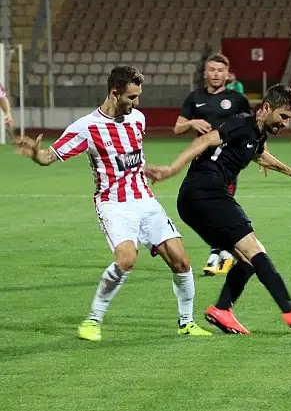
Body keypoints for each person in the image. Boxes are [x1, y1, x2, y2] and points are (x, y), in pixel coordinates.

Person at [13, 66, 211, 341]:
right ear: (114, 93)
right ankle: (93, 320)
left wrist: (147, 169)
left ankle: (187, 322)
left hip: (145, 200)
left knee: (182, 262)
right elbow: (49, 157)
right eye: (131, 97)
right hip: (114, 204)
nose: (136, 103)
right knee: (127, 259)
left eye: (138, 96)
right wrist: (36, 154)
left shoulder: (137, 119)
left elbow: (130, 157)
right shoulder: (86, 127)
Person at [144, 84, 291, 334]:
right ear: (266, 107)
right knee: (255, 250)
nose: (285, 123)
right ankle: (289, 309)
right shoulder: (241, 123)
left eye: (288, 118)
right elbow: (206, 139)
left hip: (195, 200)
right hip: (206, 192)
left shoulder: (257, 134)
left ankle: (222, 310)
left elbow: (259, 155)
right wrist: (171, 169)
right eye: (283, 116)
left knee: (248, 260)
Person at [172, 53, 251, 276]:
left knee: (217, 210)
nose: (216, 74)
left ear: (227, 74)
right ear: (205, 73)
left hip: (226, 165)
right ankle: (225, 251)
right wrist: (192, 122)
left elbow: (252, 129)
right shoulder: (194, 98)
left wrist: (261, 152)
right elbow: (177, 128)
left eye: (220, 70)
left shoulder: (237, 100)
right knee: (199, 209)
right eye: (212, 70)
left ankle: (218, 253)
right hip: (200, 164)